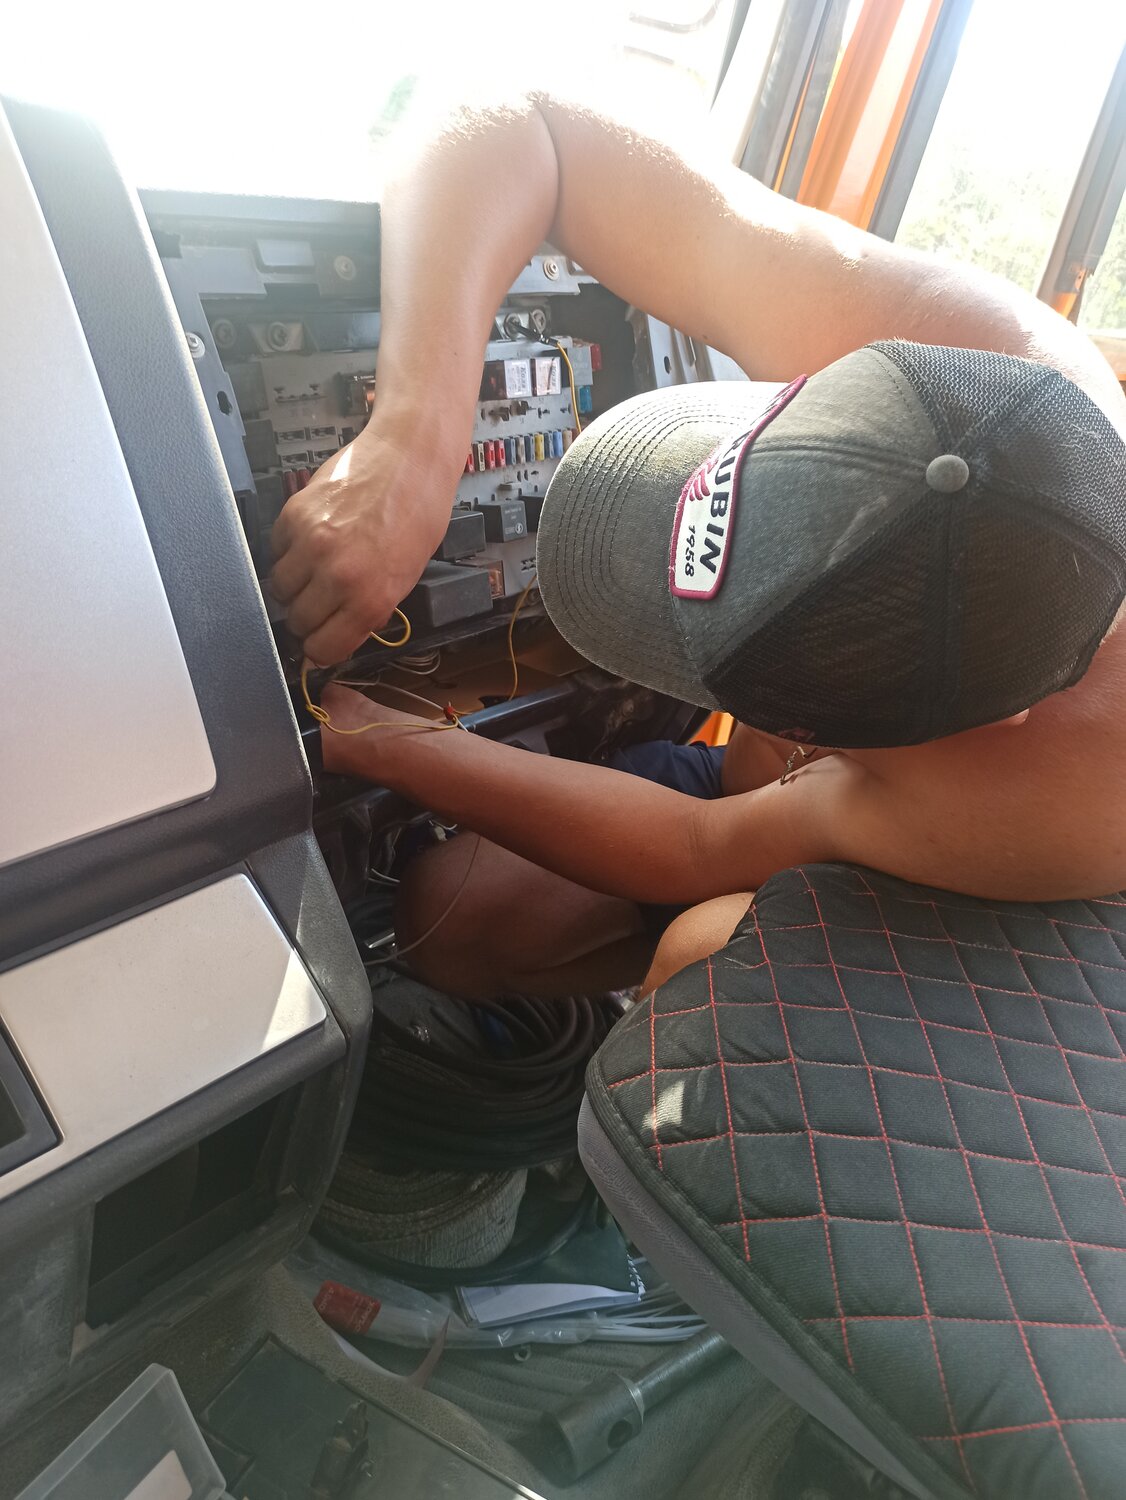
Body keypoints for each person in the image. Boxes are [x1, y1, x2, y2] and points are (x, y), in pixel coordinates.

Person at [268, 90, 1126, 1001]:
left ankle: (640, 1009)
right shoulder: (981, 365)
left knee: (702, 949)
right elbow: (518, 120)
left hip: (837, 866)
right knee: (459, 911)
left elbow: (698, 845)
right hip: (757, 781)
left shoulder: (1053, 799)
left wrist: (392, 747)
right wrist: (413, 440)